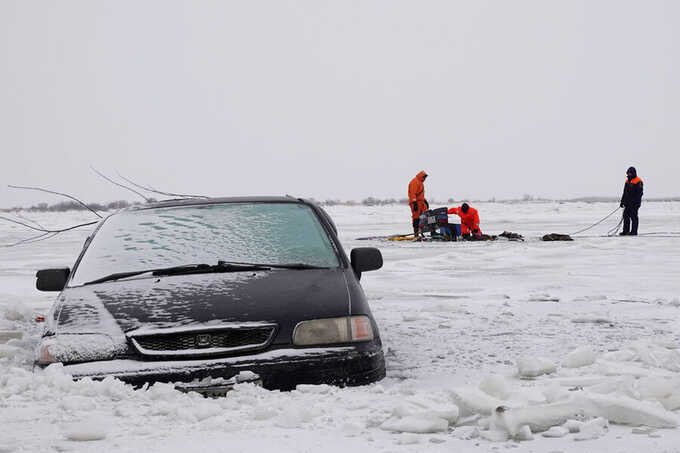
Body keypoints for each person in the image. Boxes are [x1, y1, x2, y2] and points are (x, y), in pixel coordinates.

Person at [620, 166, 643, 236]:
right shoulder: (627, 181)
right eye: (628, 173)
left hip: (634, 204)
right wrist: (622, 201)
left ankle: (634, 232)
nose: (629, 174)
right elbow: (624, 192)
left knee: (633, 217)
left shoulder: (638, 181)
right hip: (627, 203)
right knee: (626, 216)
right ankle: (625, 231)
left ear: (633, 173)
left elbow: (639, 193)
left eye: (630, 173)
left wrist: (635, 202)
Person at [408, 171, 429, 236]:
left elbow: (420, 194)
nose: (425, 179)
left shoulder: (420, 182)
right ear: (421, 176)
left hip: (421, 202)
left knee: (423, 217)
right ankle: (416, 234)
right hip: (416, 203)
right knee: (416, 218)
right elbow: (412, 193)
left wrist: (425, 201)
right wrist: (414, 203)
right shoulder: (415, 182)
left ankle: (421, 232)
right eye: (424, 178)